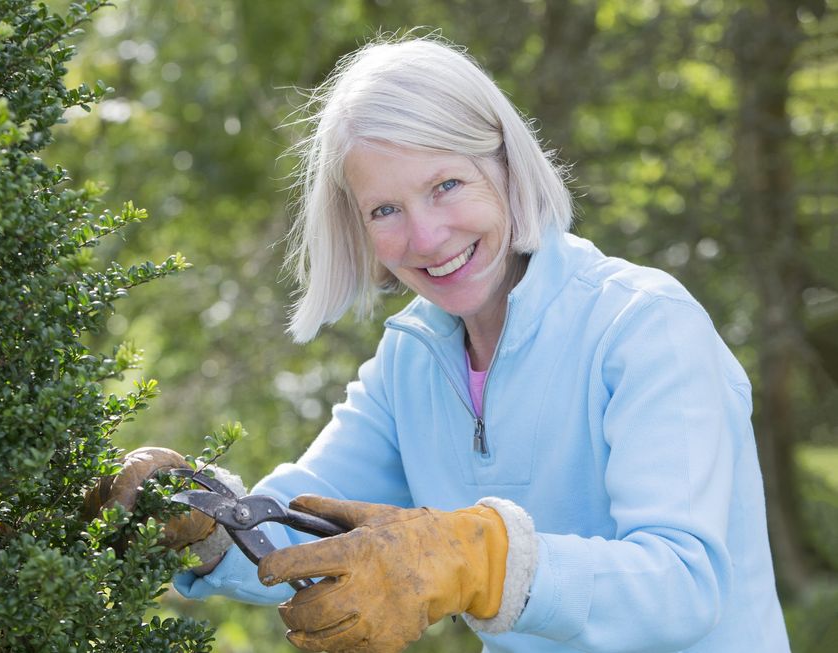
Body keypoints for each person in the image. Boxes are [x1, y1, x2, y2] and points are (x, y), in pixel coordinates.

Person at [90, 36, 791, 652]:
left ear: (508, 167)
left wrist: (478, 560)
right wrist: (206, 522)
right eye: (385, 209)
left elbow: (683, 584)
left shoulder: (645, 325)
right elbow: (302, 529)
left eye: (447, 184)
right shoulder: (412, 364)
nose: (426, 237)